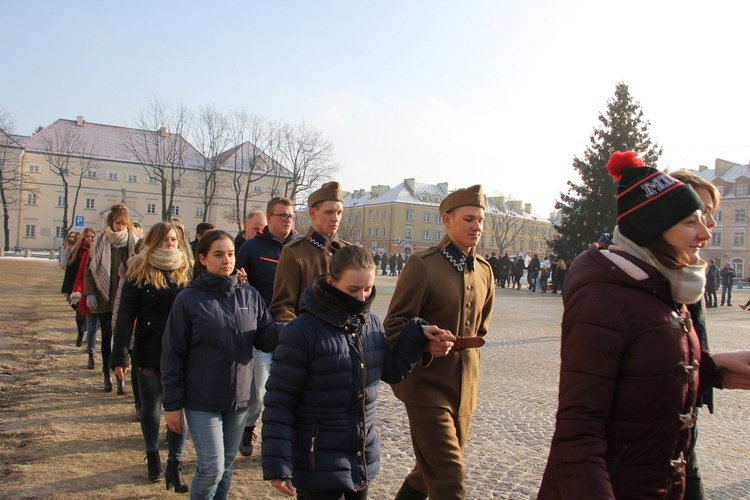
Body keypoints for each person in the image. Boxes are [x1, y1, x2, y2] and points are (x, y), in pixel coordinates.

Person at [537, 151, 750, 499]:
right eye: (690, 222)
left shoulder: (660, 283)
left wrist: (712, 369)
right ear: (654, 229)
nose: (705, 233)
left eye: (704, 219)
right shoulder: (606, 296)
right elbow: (579, 432)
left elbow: (644, 369)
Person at [261, 245, 456, 499]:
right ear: (331, 281)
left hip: (360, 456)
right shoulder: (300, 332)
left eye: (368, 289)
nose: (362, 298)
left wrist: (415, 333)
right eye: (353, 290)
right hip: (316, 462)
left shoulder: (370, 323)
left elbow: (392, 371)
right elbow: (279, 403)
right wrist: (278, 464)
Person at [384, 185, 495, 499]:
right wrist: (422, 340)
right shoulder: (424, 264)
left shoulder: (485, 271)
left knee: (426, 473)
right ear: (447, 220)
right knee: (448, 478)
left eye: (480, 220)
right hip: (426, 385)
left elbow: (480, 330)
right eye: (468, 219)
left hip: (464, 387)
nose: (476, 226)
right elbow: (394, 324)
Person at [161, 230, 282, 499]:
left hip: (240, 398)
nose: (226, 260)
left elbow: (265, 336)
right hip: (201, 399)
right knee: (212, 468)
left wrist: (295, 329)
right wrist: (172, 405)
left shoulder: (249, 296)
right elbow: (173, 354)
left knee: (226, 468)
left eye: (230, 253)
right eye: (218, 254)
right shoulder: (188, 299)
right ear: (202, 259)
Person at [111, 222, 192, 491]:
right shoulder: (138, 271)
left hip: (182, 352)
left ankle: (175, 465)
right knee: (151, 407)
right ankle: (152, 455)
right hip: (148, 351)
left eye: (174, 240)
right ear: (153, 242)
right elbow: (125, 317)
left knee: (179, 409)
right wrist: (120, 355)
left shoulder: (186, 271)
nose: (171, 245)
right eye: (165, 240)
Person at [670, 168, 721, 499]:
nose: (710, 225)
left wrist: (711, 370)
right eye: (700, 213)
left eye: (711, 215)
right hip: (663, 412)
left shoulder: (689, 272)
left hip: (689, 403)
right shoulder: (648, 276)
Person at [235, 196, 298, 458]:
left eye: (290, 216)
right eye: (282, 216)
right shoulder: (251, 248)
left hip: (294, 331)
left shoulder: (300, 247)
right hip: (261, 331)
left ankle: (281, 442)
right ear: (269, 218)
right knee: (258, 391)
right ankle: (248, 428)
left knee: (288, 393)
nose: (287, 220)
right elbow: (237, 287)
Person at [270, 181, 347, 322]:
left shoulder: (348, 252)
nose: (335, 218)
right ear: (312, 213)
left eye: (339, 212)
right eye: (329, 212)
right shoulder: (294, 252)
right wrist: (299, 334)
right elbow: (282, 306)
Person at [83, 204, 139, 392]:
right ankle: (107, 373)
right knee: (107, 337)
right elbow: (90, 270)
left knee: (124, 338)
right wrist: (90, 292)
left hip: (126, 297)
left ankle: (121, 378)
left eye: (124, 224)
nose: (120, 227)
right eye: (117, 223)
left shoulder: (134, 241)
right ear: (111, 222)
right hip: (104, 297)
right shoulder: (99, 241)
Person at [62, 228, 95, 348]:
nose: (90, 239)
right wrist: (66, 289)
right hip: (78, 285)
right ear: (83, 238)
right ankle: (81, 331)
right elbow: (70, 272)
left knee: (90, 311)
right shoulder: (76, 251)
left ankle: (87, 332)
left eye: (92, 237)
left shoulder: (97, 251)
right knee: (80, 313)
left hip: (90, 285)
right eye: (87, 237)